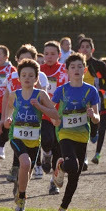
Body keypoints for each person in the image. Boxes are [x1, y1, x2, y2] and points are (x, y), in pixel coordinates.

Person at [2, 59, 59, 211]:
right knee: (25, 163)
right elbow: (9, 108)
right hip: (16, 136)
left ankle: (20, 190)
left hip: (34, 140)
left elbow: (55, 114)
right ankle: (22, 198)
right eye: (24, 75)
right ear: (19, 78)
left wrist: (39, 106)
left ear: (36, 78)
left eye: (31, 75)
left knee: (28, 171)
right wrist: (7, 119)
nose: (27, 78)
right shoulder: (14, 95)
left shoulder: (41, 94)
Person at [51, 53, 100, 211]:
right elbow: (51, 109)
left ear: (85, 69)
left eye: (80, 66)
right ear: (67, 71)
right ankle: (61, 165)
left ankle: (63, 209)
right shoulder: (61, 90)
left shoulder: (91, 91)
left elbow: (97, 118)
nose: (76, 69)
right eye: (73, 67)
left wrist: (93, 115)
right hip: (65, 133)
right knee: (72, 164)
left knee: (75, 176)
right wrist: (54, 119)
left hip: (82, 135)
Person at [77, 37, 106, 171]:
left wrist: (101, 91)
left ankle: (94, 131)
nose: (85, 49)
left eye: (87, 47)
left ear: (93, 49)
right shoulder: (76, 64)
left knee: (92, 125)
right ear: (79, 49)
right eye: (83, 47)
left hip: (94, 99)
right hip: (79, 100)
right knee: (82, 127)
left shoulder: (98, 65)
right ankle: (84, 157)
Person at [40, 40, 69, 195]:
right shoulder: (39, 70)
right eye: (46, 54)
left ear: (59, 55)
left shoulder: (65, 70)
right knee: (46, 140)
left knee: (59, 150)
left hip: (61, 115)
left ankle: (53, 182)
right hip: (44, 114)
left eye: (53, 54)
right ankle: (46, 154)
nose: (49, 57)